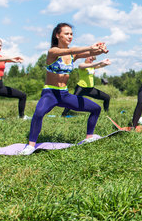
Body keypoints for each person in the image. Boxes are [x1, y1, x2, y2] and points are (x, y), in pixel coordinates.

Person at [19, 23, 108, 155]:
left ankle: (89, 137)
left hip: (64, 95)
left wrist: (101, 49)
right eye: (66, 33)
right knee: (38, 113)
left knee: (96, 108)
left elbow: (90, 52)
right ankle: (31, 146)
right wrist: (90, 47)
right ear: (57, 35)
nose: (70, 36)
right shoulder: (53, 52)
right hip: (50, 93)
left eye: (71, 34)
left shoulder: (73, 55)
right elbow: (72, 50)